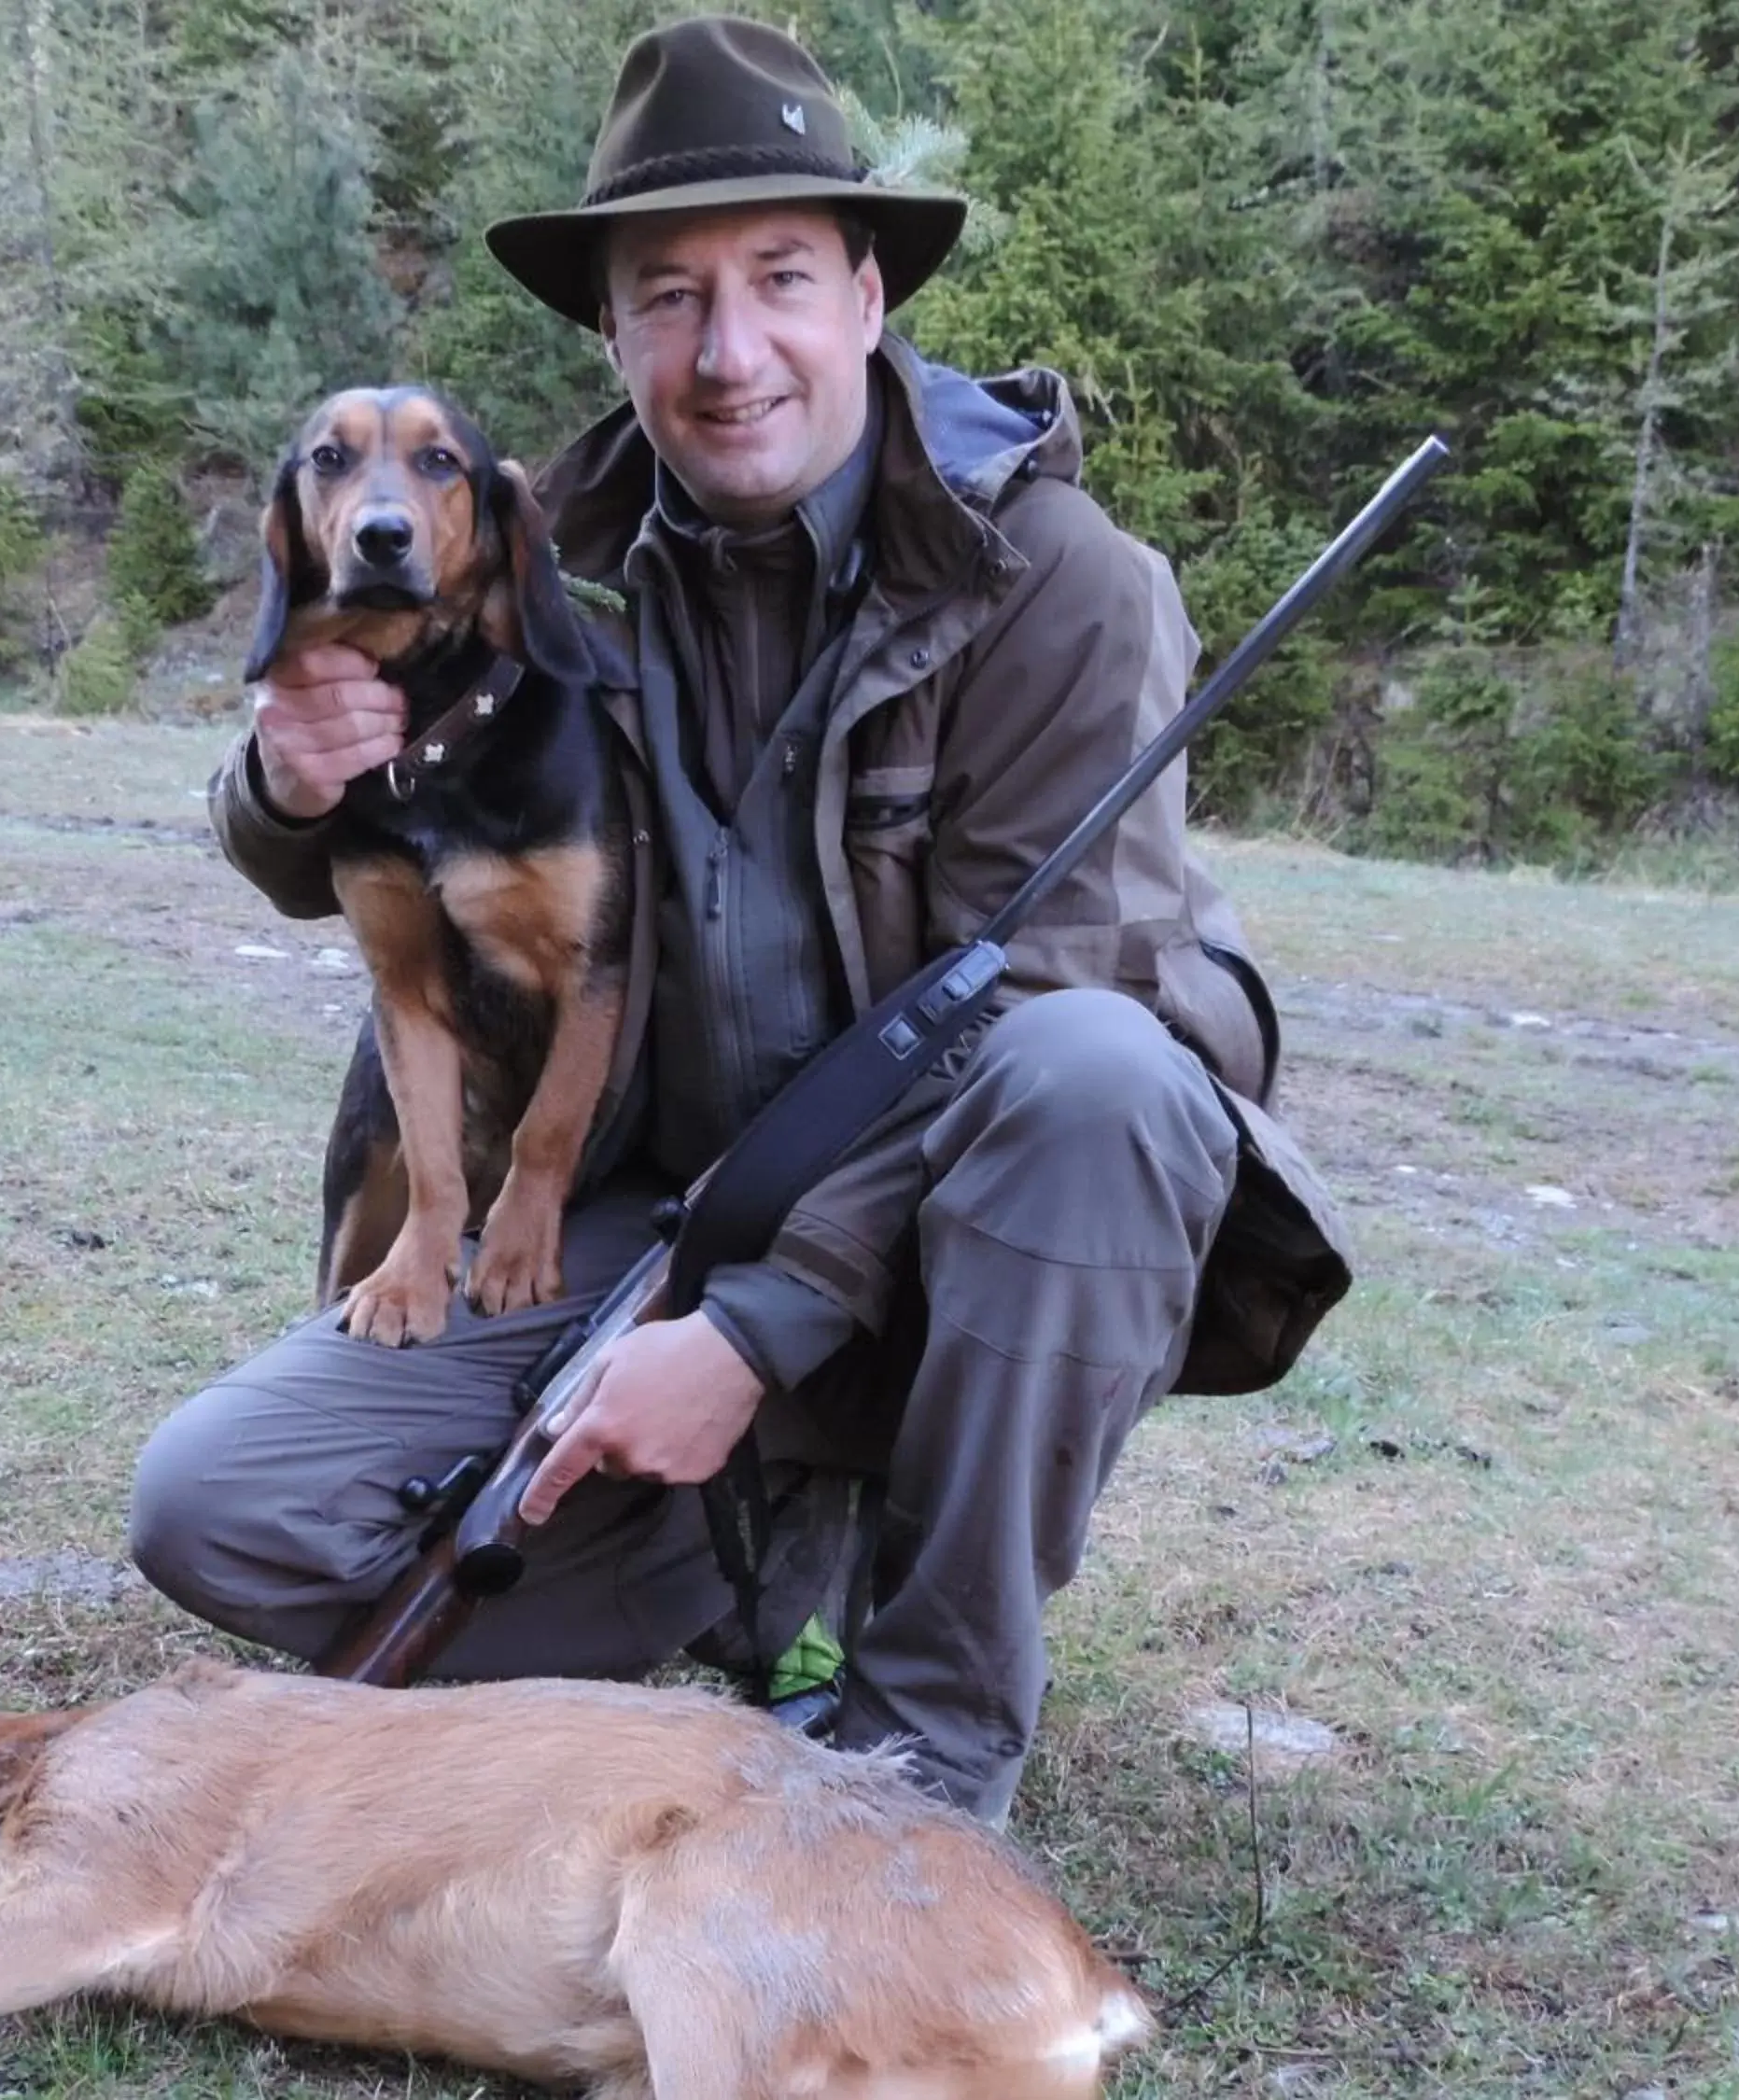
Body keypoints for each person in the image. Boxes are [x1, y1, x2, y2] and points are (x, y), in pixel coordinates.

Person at [128, 14, 1352, 1823]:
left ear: (866, 294)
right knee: (217, 1512)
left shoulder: (1068, 587)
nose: (728, 349)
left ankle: (920, 1743)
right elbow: (369, 818)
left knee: (1102, 1073)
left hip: (943, 1237)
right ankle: (728, 1576)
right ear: (614, 336)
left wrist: (758, 1333)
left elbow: (1068, 989)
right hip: (661, 1215)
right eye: (668, 295)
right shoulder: (558, 565)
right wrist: (282, 780)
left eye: (779, 277)